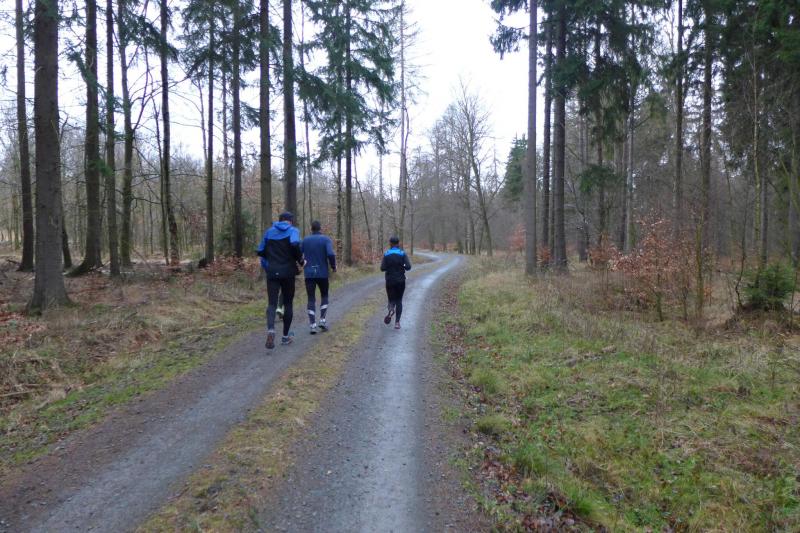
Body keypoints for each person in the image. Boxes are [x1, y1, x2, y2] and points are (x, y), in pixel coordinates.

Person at [257, 212, 304, 349]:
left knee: (272, 303)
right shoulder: (293, 231)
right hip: (288, 272)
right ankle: (285, 337)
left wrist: (268, 264)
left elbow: (260, 251)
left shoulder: (269, 232)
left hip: (272, 272)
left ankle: (271, 330)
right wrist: (301, 260)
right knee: (288, 304)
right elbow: (295, 244)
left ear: (280, 220)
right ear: (290, 221)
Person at [301, 220, 337, 334]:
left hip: (309, 274)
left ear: (311, 228)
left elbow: (298, 254)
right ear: (320, 228)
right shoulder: (325, 239)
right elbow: (330, 254)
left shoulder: (305, 240)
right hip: (322, 273)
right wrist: (333, 266)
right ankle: (322, 320)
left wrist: (301, 263)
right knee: (324, 295)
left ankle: (312, 325)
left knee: (311, 298)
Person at [380, 236, 411, 329]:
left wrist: (389, 266)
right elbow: (408, 267)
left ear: (390, 243)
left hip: (390, 281)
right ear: (398, 243)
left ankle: (391, 308)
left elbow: (382, 268)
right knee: (399, 301)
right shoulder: (402, 253)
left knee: (391, 299)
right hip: (400, 281)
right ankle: (397, 323)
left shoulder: (386, 254)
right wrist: (402, 265)